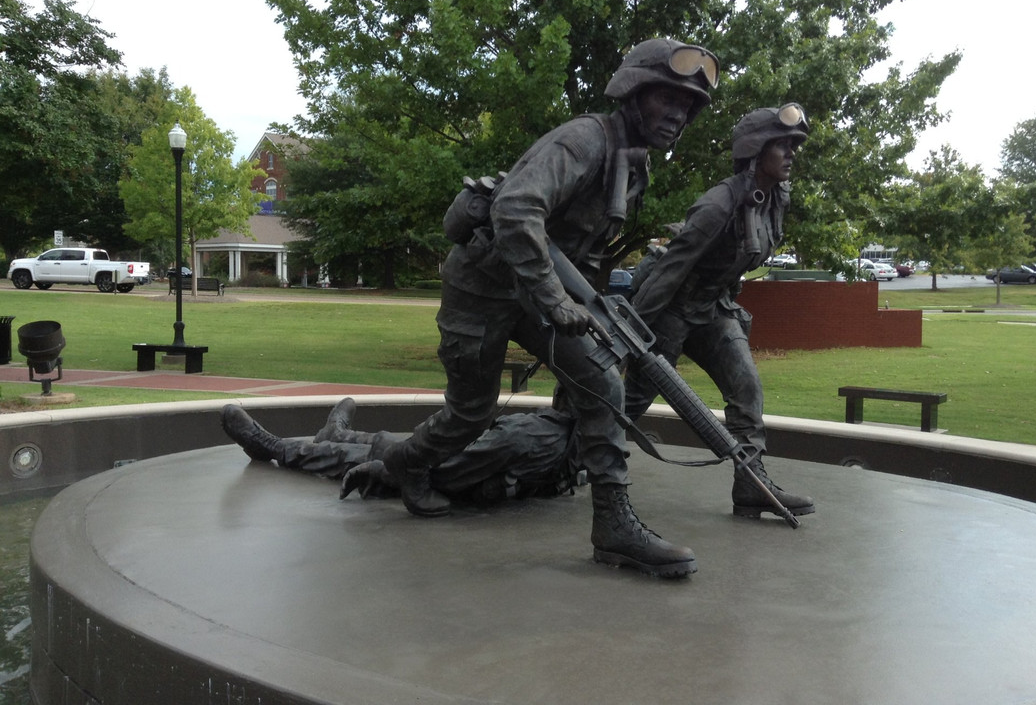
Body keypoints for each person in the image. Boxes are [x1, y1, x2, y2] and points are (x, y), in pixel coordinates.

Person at [366, 39, 718, 578]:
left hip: (534, 291)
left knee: (603, 382)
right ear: (633, 93)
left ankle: (614, 527)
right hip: (482, 288)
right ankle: (403, 463)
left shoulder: (634, 165)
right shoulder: (583, 141)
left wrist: (591, 311)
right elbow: (515, 208)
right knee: (471, 412)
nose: (679, 116)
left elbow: (584, 250)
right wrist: (556, 300)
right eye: (667, 100)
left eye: (688, 107)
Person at [623, 104, 816, 519]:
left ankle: (751, 483)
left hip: (713, 307)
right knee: (633, 400)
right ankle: (565, 458)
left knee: (746, 387)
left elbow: (737, 262)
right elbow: (671, 269)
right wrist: (633, 330)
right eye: (782, 145)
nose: (791, 153)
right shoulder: (718, 203)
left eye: (793, 146)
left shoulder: (775, 201)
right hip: (672, 307)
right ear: (756, 148)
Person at [220, 399, 580, 504]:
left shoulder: (529, 434)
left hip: (441, 477)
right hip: (462, 469)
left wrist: (385, 470)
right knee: (387, 440)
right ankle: (337, 433)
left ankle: (272, 447)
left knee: (353, 457)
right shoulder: (573, 435)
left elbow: (446, 470)